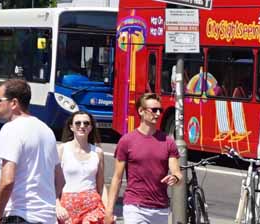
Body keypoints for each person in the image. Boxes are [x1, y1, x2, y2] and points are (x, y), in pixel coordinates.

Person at [0, 79, 64, 224]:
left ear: (13, 103)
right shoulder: (46, 130)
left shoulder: (11, 129)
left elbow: (7, 181)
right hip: (48, 218)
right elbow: (60, 180)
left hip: (20, 215)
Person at [104, 93, 182, 224]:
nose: (158, 114)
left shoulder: (168, 142)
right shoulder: (126, 141)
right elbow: (117, 178)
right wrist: (109, 211)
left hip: (160, 208)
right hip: (135, 207)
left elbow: (177, 174)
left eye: (160, 110)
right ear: (141, 111)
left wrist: (175, 178)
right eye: (154, 110)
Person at [56, 112, 106, 224]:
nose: (82, 126)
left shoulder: (98, 153)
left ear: (91, 127)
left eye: (86, 123)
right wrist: (57, 206)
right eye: (78, 123)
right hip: (67, 207)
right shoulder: (62, 150)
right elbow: (52, 183)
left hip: (92, 206)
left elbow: (101, 187)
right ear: (71, 127)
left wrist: (108, 211)